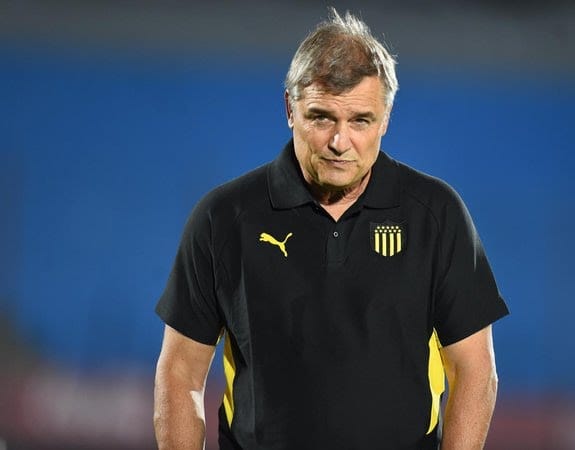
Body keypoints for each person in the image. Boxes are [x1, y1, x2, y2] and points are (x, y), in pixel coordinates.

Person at [153, 8, 508, 450]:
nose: (340, 142)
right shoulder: (224, 218)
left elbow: (475, 370)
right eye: (322, 118)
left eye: (360, 120)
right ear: (290, 109)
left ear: (386, 118)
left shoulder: (435, 215)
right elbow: (180, 373)